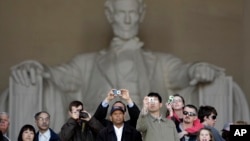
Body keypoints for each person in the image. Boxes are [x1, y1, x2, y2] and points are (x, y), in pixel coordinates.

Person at [1, 0, 249, 137]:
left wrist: (198, 69)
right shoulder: (86, 63)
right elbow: (59, 76)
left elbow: (183, 72)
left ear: (141, 14)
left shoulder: (160, 62)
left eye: (133, 13)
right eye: (121, 14)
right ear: (110, 14)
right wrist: (37, 68)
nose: (128, 20)